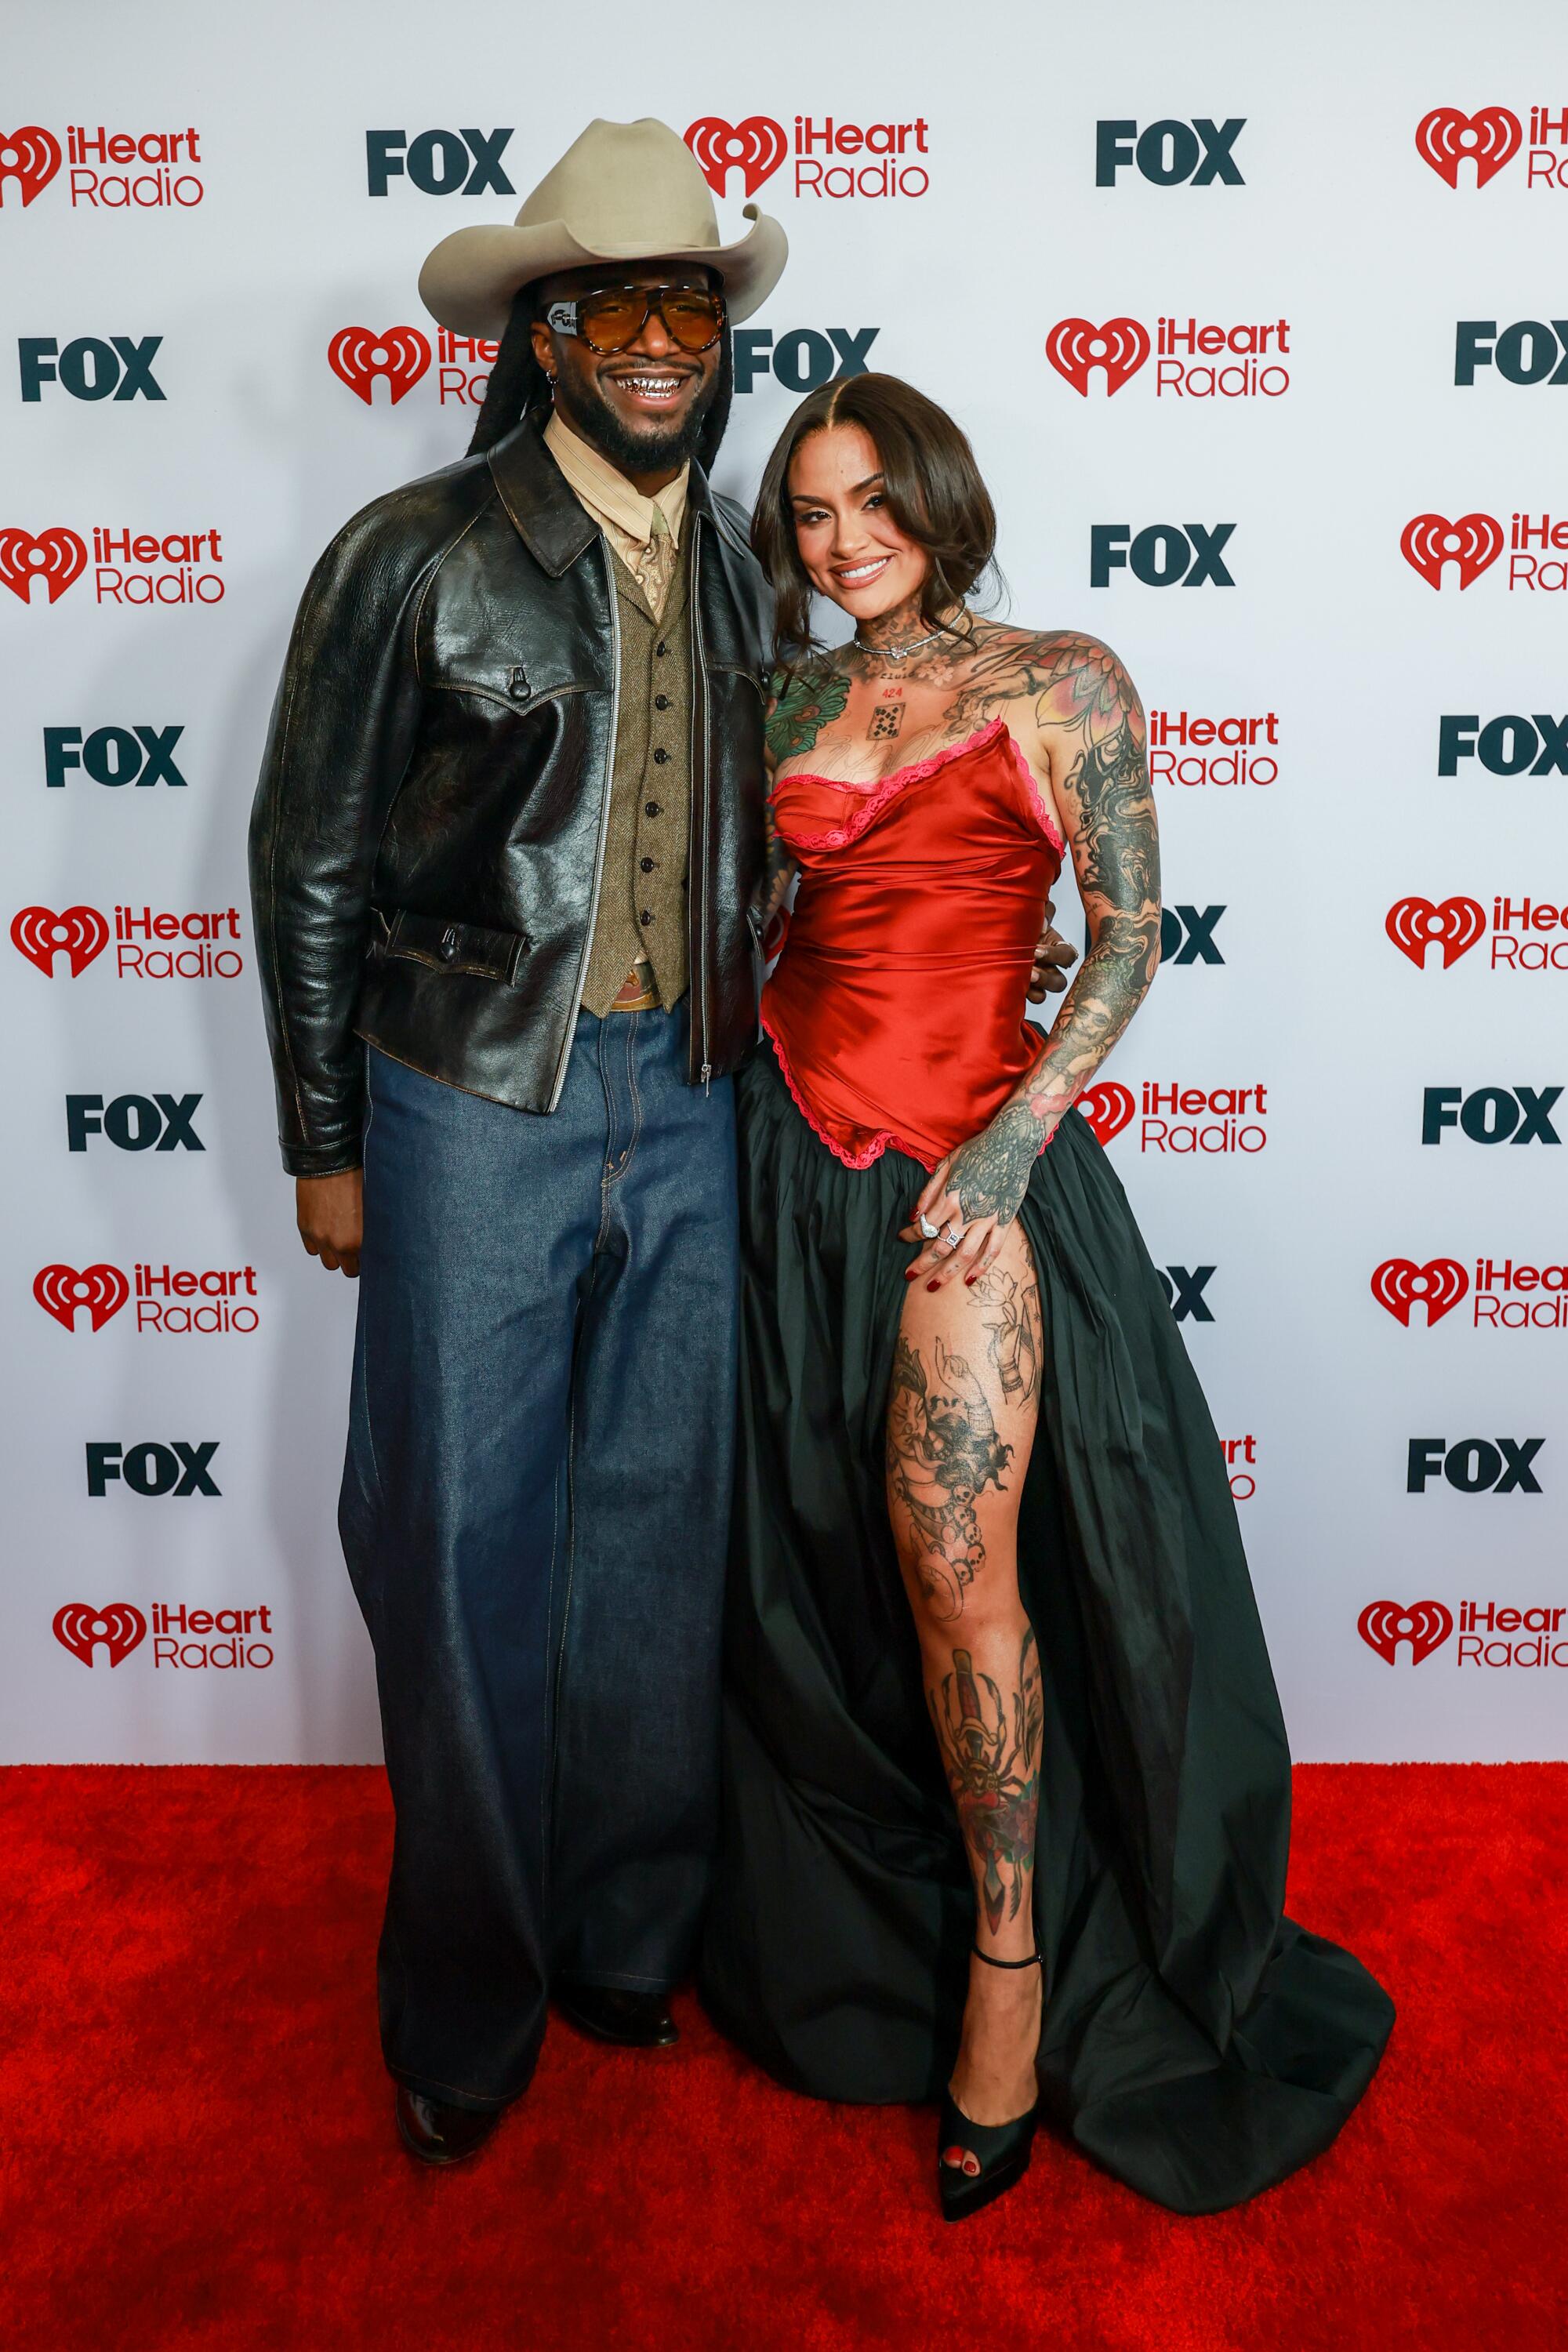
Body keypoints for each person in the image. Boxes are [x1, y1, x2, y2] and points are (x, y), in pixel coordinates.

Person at [699, 375, 1394, 2220]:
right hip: (783, 1169)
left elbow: (1133, 927)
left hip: (965, 1175)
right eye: (808, 516)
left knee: (960, 1580)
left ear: (940, 497)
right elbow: (755, 915)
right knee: (812, 1553)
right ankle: (856, 1919)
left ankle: (1009, 1975)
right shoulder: (783, 691)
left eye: (870, 504)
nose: (840, 544)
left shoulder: (1059, 676)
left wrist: (1010, 1143)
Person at [247, 118, 788, 2165]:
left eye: (690, 305)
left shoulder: (746, 562)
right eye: (615, 307)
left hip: (699, 1097)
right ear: (546, 337)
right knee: (461, 1551)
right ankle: (466, 2004)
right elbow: (305, 860)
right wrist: (325, 1137)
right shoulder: (417, 552)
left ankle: (626, 1942)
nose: (660, 341)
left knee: (659, 1537)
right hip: (470, 1108)